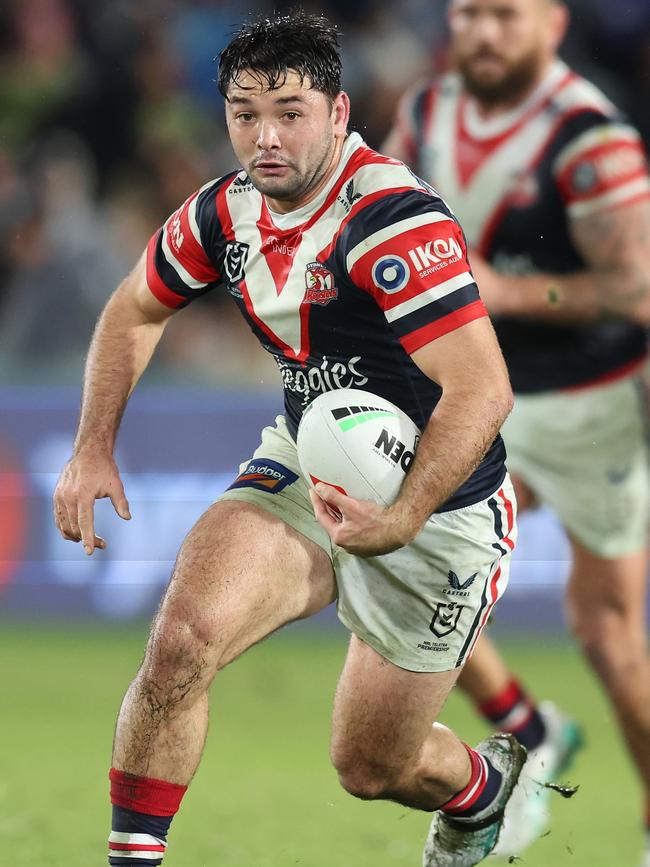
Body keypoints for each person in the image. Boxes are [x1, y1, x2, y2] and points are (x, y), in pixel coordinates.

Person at [53, 11, 530, 867]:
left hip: (441, 505)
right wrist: (92, 446)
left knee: (371, 765)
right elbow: (134, 307)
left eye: (290, 112)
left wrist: (406, 514)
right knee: (181, 641)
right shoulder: (223, 213)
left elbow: (484, 388)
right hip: (310, 460)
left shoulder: (390, 220)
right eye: (245, 115)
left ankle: (478, 790)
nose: (265, 138)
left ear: (339, 113)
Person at [384, 0, 650, 861]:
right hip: (477, 395)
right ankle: (529, 727)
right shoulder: (426, 112)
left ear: (553, 23)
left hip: (589, 405)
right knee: (408, 564)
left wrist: (506, 292)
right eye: (469, 13)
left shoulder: (589, 139)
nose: (484, 34)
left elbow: (638, 289)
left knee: (606, 634)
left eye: (505, 15)